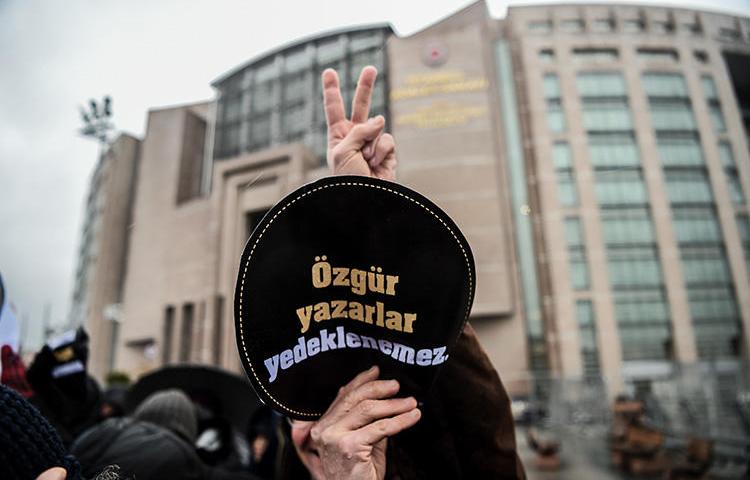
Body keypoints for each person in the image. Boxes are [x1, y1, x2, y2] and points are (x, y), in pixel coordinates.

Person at [278, 66, 526, 479]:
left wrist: (376, 224)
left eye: (339, 400)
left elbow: (479, 420)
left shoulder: (443, 461)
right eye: (299, 406)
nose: (316, 429)